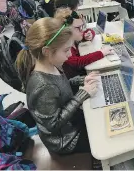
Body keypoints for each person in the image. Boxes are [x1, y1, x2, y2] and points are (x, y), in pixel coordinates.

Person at [15, 17, 100, 169]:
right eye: (66, 50)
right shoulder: (42, 86)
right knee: (102, 137)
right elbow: (53, 124)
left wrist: (83, 79)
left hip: (70, 123)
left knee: (101, 117)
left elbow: (63, 84)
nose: (69, 55)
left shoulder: (51, 65)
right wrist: (82, 94)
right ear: (47, 51)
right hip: (64, 140)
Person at [54, 8, 114, 79]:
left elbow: (88, 31)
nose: (82, 30)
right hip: (78, 79)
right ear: (66, 30)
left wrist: (89, 34)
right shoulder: (64, 47)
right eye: (78, 28)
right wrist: (101, 53)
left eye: (82, 26)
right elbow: (78, 62)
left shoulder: (73, 38)